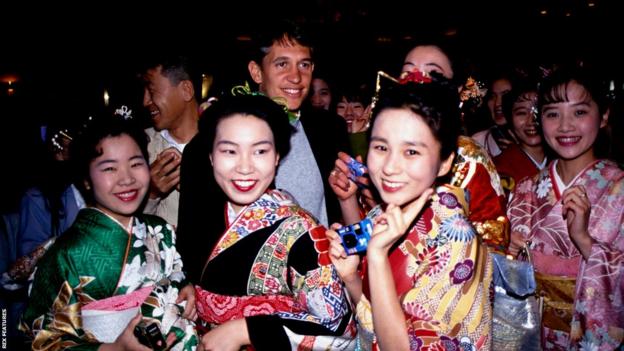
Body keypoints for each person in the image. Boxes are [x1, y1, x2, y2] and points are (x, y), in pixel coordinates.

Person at [177, 94, 355, 350]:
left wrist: (248, 330)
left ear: (277, 157)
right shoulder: (203, 213)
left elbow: (340, 329)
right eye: (229, 151)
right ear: (211, 157)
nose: (245, 167)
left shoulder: (301, 232)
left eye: (260, 151)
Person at [328, 77, 492, 350]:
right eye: (381, 147)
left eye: (411, 151)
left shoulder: (454, 237)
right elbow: (375, 319)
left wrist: (377, 256)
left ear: (444, 162)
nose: (390, 167)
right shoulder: (385, 213)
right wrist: (351, 278)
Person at [21, 112, 198, 350]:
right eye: (109, 168)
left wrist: (186, 289)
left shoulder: (160, 229)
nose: (126, 179)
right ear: (85, 179)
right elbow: (40, 340)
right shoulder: (67, 254)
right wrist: (116, 348)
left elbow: (178, 276)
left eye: (136, 164)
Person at [337, 43, 508, 251]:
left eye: (433, 73)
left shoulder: (469, 156)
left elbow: (492, 243)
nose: (418, 81)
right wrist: (349, 201)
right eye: (407, 73)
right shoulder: (386, 150)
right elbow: (361, 251)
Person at [507, 67, 624, 349]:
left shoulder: (619, 188)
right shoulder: (524, 189)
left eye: (580, 112)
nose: (565, 126)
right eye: (552, 113)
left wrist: (585, 241)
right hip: (533, 337)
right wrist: (508, 254)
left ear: (604, 114)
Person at [246, 20, 351, 226]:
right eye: (282, 64)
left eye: (304, 65)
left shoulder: (330, 129)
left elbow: (345, 211)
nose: (296, 77)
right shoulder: (223, 139)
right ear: (257, 72)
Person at [141, 55, 200, 227]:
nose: (145, 101)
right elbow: (124, 227)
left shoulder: (226, 146)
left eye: (151, 91)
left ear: (186, 90)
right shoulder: (140, 148)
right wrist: (150, 193)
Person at [494, 80, 547, 197]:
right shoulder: (498, 168)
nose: (531, 120)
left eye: (538, 111)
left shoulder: (564, 162)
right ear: (510, 119)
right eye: (522, 113)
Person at [472, 72, 516, 157]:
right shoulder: (477, 142)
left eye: (505, 95)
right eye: (493, 96)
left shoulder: (534, 140)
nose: (497, 103)